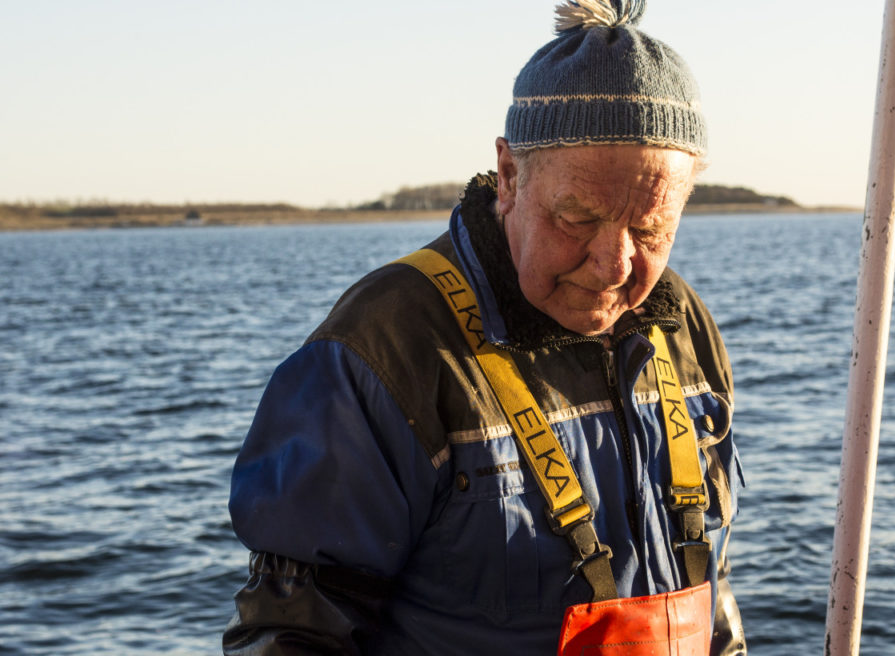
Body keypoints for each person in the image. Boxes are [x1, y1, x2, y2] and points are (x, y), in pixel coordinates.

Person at [224, 1, 745, 654]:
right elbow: (291, 633)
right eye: (578, 218)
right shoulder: (384, 349)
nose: (614, 265)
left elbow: (711, 579)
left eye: (650, 228)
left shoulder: (684, 327)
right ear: (508, 174)